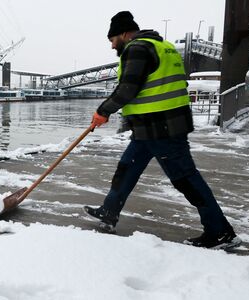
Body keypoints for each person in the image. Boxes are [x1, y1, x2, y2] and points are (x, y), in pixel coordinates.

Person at [83, 11, 239, 249]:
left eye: (113, 39)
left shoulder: (136, 49)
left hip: (162, 128)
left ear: (124, 34)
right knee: (127, 169)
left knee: (186, 179)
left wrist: (103, 111)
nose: (113, 45)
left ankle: (220, 232)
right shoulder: (163, 46)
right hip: (152, 127)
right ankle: (109, 211)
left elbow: (128, 89)